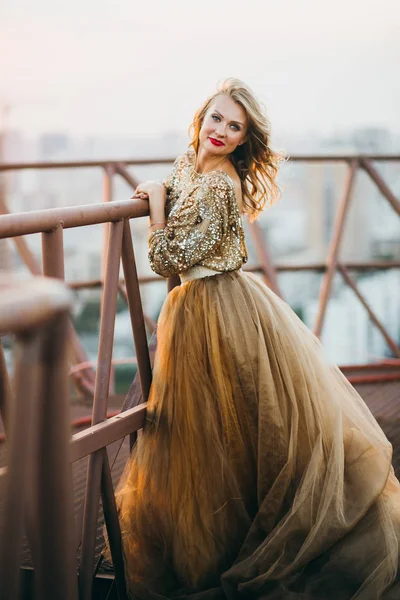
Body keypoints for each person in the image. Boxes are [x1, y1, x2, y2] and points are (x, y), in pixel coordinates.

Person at [115, 78, 400, 599]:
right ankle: (211, 540)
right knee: (203, 433)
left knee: (230, 430)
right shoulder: (189, 163)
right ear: (200, 119)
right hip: (191, 314)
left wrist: (155, 204)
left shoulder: (224, 184)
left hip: (220, 310)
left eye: (235, 127)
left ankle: (243, 540)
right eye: (216, 119)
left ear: (246, 139)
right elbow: (181, 192)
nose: (221, 132)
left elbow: (165, 259)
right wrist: (166, 188)